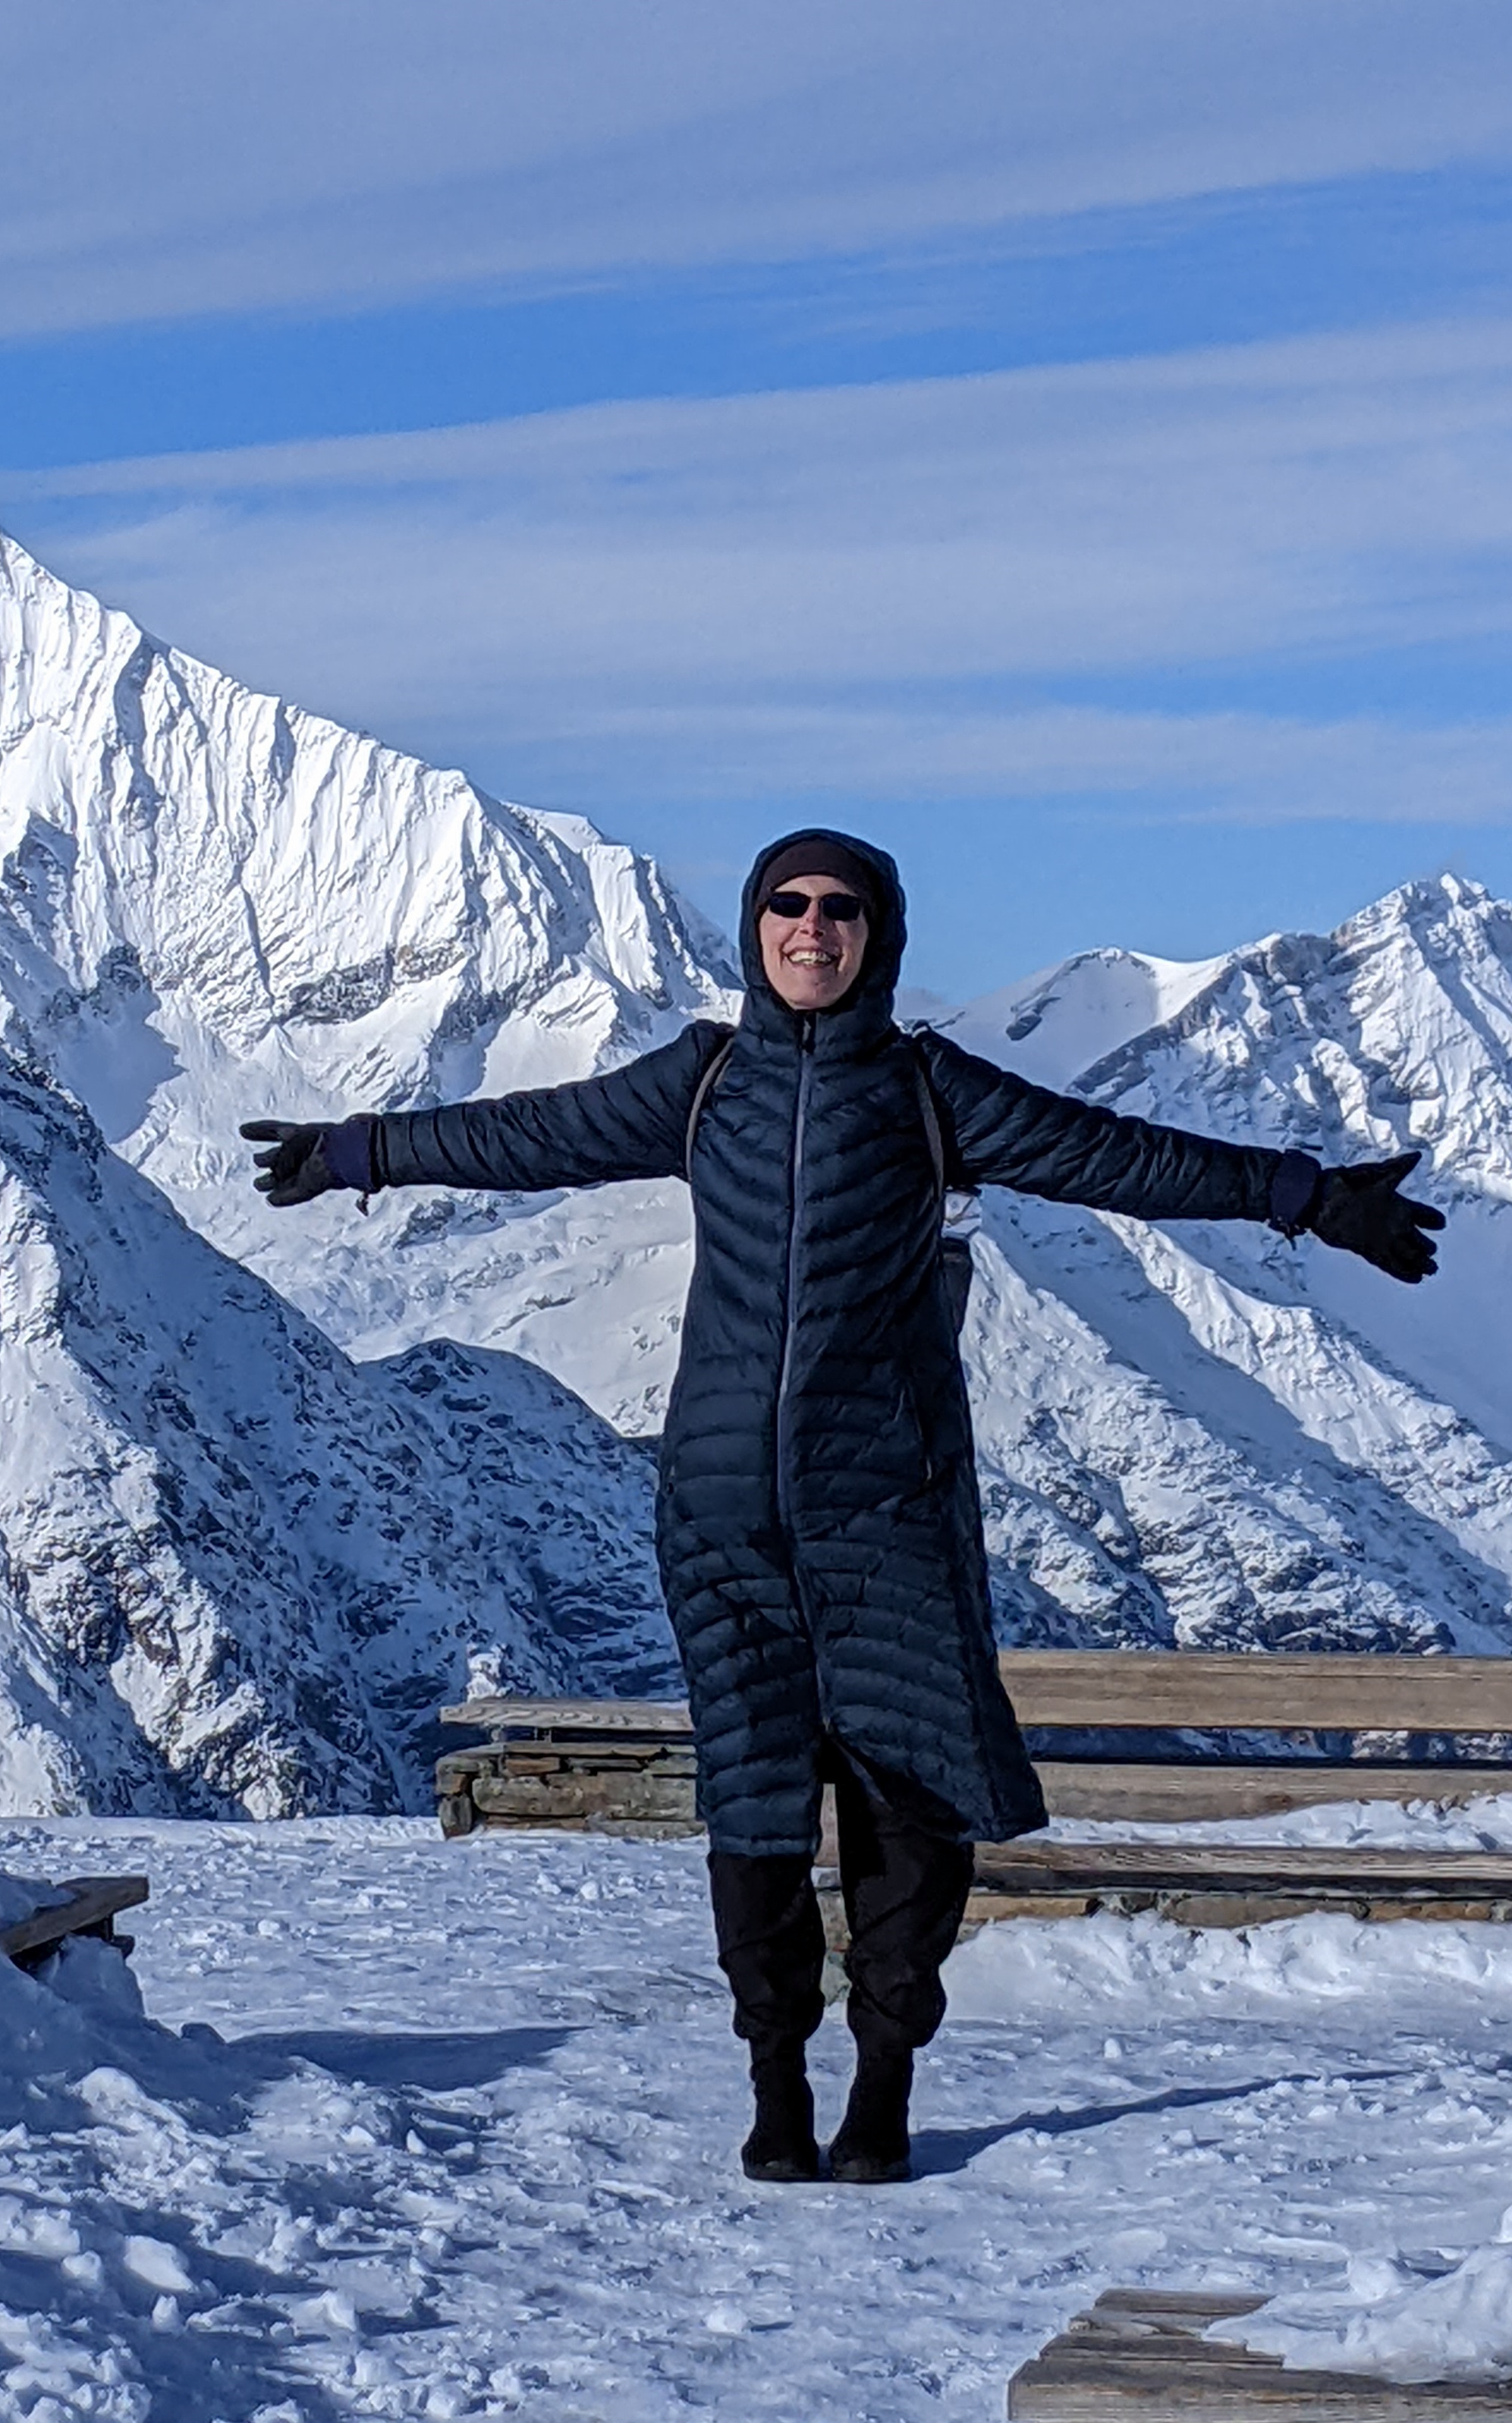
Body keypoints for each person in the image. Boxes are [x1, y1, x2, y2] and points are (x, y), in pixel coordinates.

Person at [241, 831, 1443, 2186]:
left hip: (889, 1507)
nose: (812, 930)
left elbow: (1118, 1158)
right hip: (719, 1515)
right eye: (787, 907)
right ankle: (772, 2084)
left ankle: (881, 2085)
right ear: (754, 930)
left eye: (842, 911)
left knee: (906, 1808)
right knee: (751, 1805)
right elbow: (534, 1134)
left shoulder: (930, 1093)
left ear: (881, 937)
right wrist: (363, 1151)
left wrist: (1303, 1195)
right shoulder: (698, 1086)